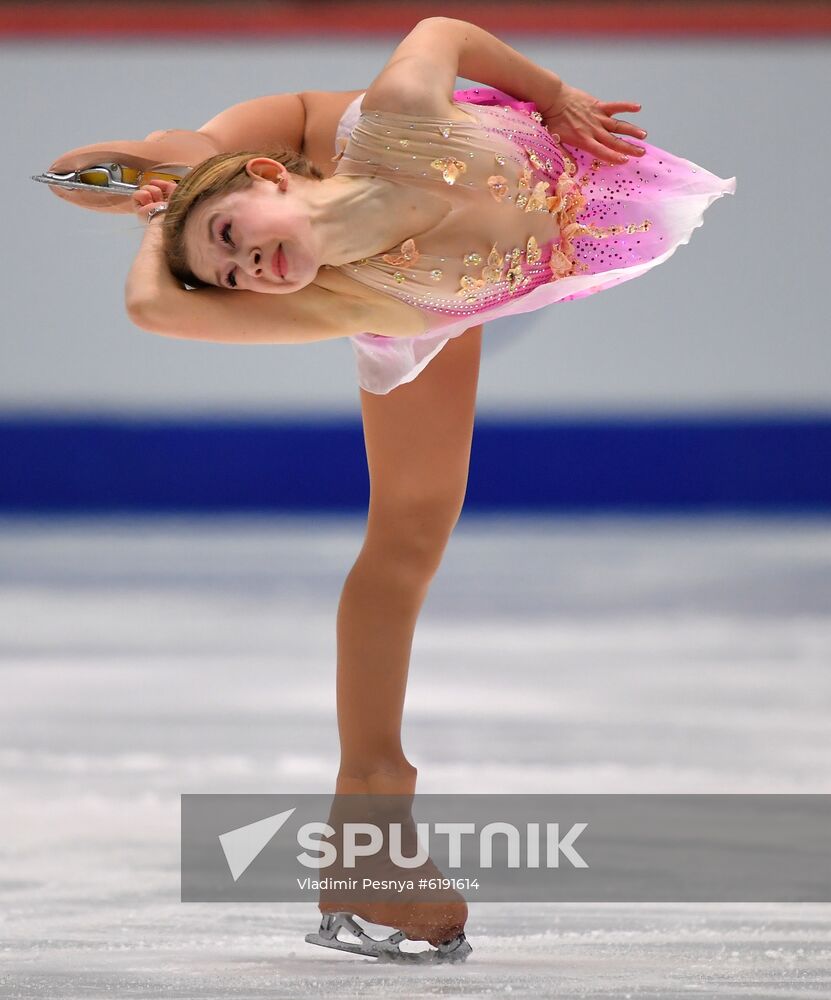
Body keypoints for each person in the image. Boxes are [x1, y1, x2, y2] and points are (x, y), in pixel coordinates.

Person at [38, 18, 734, 962]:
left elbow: (441, 29)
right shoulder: (344, 293)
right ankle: (370, 820)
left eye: (234, 243)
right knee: (407, 534)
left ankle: (186, 160)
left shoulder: (397, 118)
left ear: (268, 180)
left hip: (348, 154)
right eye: (232, 272)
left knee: (206, 148)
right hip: (416, 280)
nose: (247, 273)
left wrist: (552, 90)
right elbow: (152, 305)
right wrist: (169, 217)